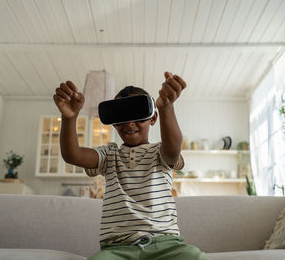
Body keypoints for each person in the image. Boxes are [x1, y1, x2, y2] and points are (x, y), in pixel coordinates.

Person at [53, 72, 209, 260]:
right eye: (121, 117)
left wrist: (167, 107)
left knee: (195, 257)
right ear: (114, 124)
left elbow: (173, 149)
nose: (129, 123)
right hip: (116, 249)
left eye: (138, 114)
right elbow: (72, 155)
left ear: (153, 118)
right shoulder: (108, 155)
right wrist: (69, 118)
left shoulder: (160, 152)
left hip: (165, 245)